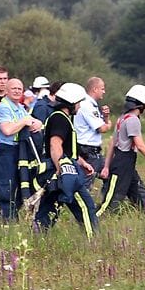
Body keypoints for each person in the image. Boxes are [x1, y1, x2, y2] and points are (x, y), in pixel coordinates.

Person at [34, 83, 99, 237]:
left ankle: (37, 239)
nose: (79, 106)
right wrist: (61, 170)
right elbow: (55, 144)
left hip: (58, 170)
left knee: (48, 209)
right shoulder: (60, 119)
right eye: (78, 103)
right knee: (85, 206)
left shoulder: (59, 117)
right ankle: (94, 240)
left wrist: (82, 163)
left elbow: (67, 150)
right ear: (71, 102)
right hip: (64, 172)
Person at [96, 85, 145, 216]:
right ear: (141, 105)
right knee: (111, 202)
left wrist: (106, 166)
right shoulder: (133, 120)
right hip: (122, 165)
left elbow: (113, 143)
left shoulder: (122, 118)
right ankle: (93, 221)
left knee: (143, 200)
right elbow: (140, 146)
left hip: (126, 165)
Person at [0, 78, 43, 220]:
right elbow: (7, 130)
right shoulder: (3, 108)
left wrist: (36, 122)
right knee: (6, 190)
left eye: (20, 89)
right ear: (6, 91)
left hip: (17, 151)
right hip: (4, 152)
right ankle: (7, 223)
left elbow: (34, 123)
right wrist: (24, 122)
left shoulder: (19, 107)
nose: (17, 91)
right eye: (14, 88)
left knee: (18, 189)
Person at [73, 76, 112, 191]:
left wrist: (106, 117)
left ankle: (108, 200)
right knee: (85, 184)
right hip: (88, 151)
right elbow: (102, 128)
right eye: (102, 89)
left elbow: (101, 123)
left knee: (109, 173)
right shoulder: (87, 106)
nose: (104, 91)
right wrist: (109, 124)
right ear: (95, 89)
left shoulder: (91, 105)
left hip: (93, 151)